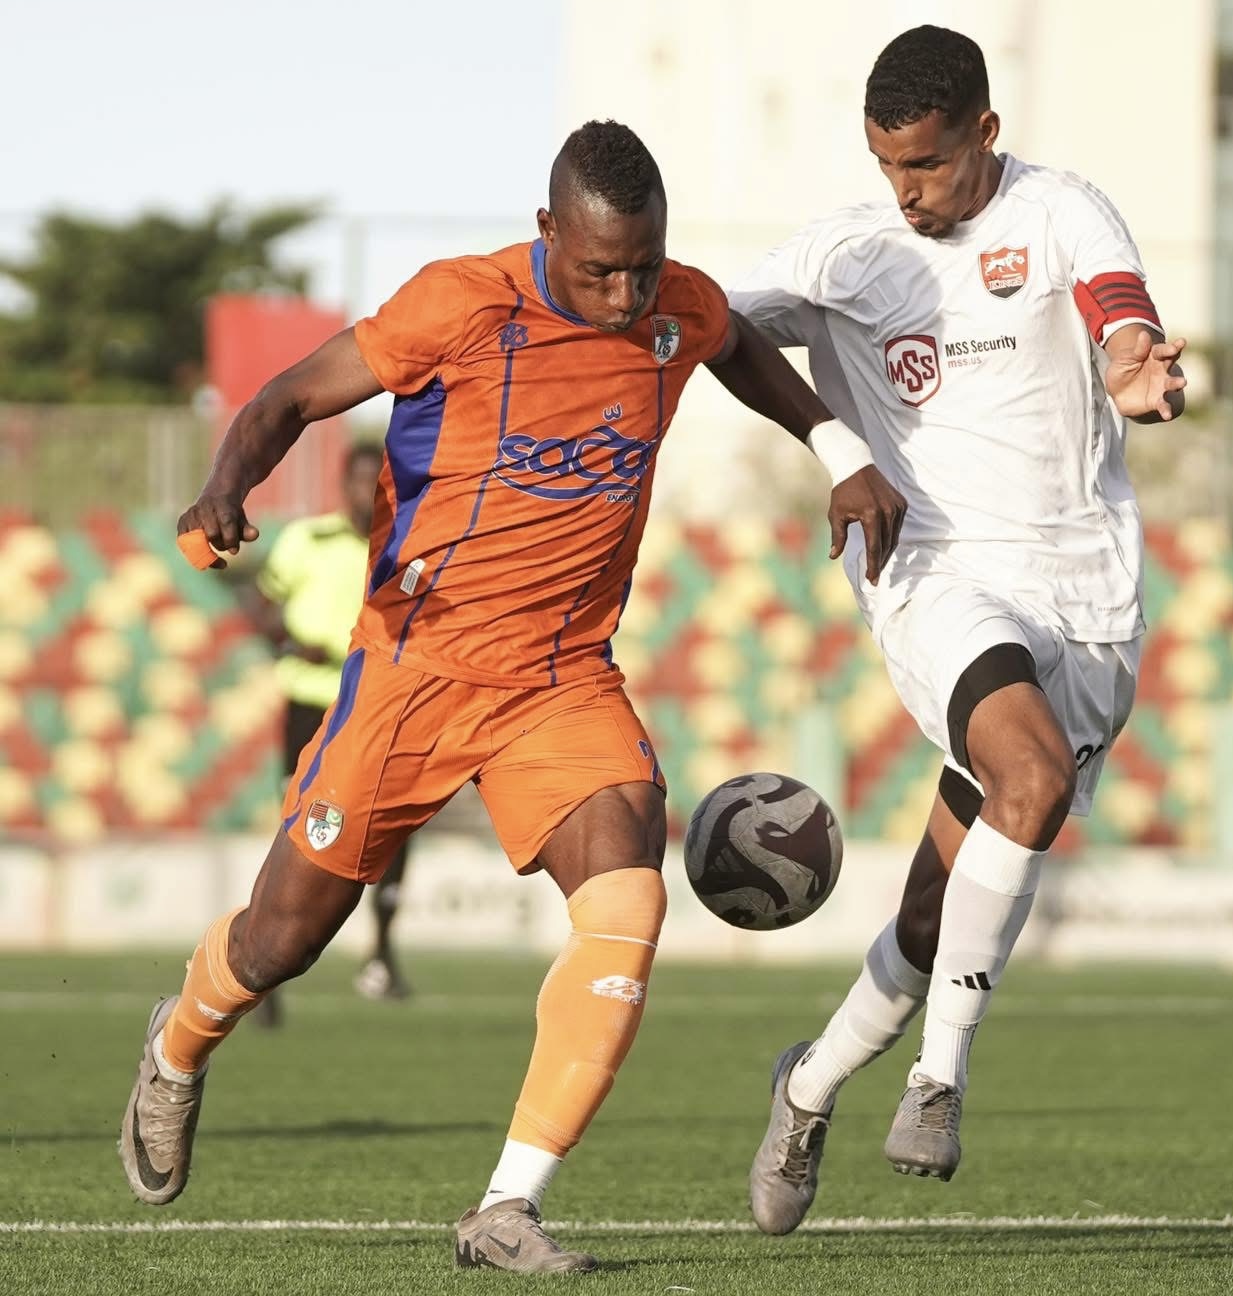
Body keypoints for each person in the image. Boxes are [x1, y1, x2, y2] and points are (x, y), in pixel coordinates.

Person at [118, 120, 905, 1273]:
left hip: (561, 677)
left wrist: (840, 448)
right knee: (282, 939)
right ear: (547, 232)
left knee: (629, 895)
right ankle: (179, 1046)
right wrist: (224, 487)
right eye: (600, 271)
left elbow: (734, 344)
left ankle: (506, 1207)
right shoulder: (461, 305)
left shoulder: (675, 307)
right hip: (417, 668)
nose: (626, 295)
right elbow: (288, 398)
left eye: (644, 266)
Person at [729, 26, 1187, 1234]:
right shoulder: (848, 253)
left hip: (1086, 598)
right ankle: (938, 1082)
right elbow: (712, 327)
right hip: (933, 572)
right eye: (887, 165)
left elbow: (1117, 307)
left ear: (985, 131)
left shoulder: (1062, 211)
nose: (906, 191)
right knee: (1027, 777)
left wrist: (1134, 366)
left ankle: (807, 1086)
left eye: (926, 164)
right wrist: (835, 446)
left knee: (935, 918)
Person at [245, 442, 415, 1012]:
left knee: (395, 824)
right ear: (344, 484)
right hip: (309, 701)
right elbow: (260, 603)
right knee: (299, 824)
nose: (368, 491)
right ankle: (257, 962)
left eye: (378, 481)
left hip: (376, 703)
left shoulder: (406, 543)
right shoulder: (306, 540)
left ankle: (382, 954)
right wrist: (290, 643)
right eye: (360, 480)